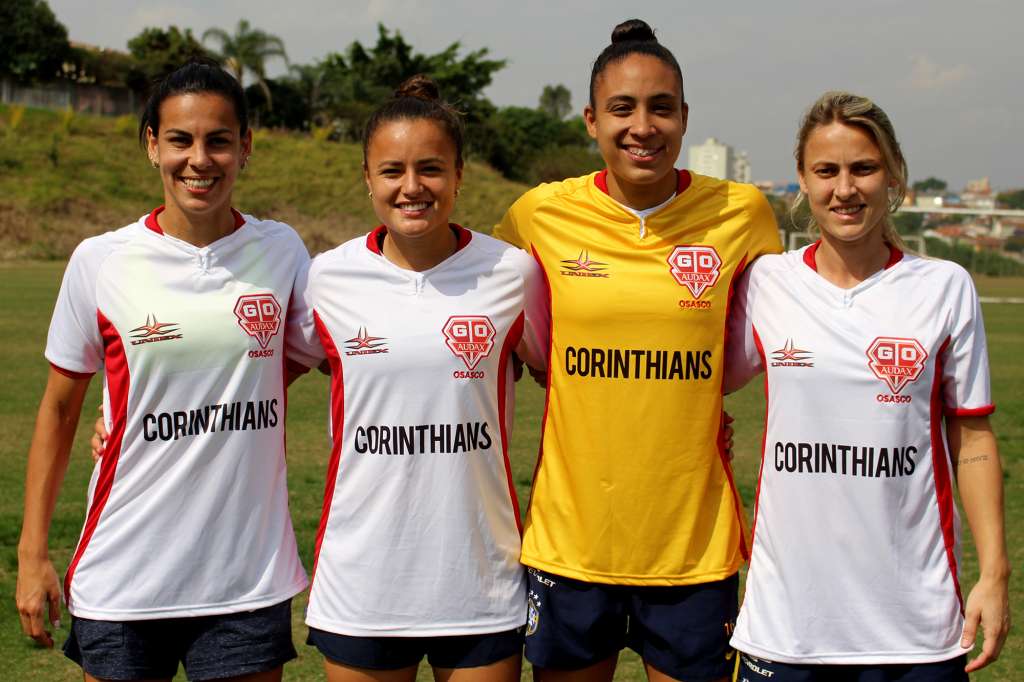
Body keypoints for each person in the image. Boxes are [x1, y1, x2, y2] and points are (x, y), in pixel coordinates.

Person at [493, 18, 781, 682]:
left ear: (685, 119)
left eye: (661, 108)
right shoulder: (538, 215)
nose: (642, 126)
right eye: (622, 108)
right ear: (591, 120)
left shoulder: (744, 213)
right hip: (571, 541)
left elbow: (757, 342)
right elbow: (506, 328)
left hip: (692, 548)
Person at [16, 60, 309, 682]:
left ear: (246, 147)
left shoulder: (282, 251)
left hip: (244, 582)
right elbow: (60, 409)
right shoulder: (101, 261)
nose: (199, 159)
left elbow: (323, 351)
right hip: (125, 576)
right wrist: (31, 553)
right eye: (180, 139)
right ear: (152, 145)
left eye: (219, 140)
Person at [725, 91, 1011, 682]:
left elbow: (974, 438)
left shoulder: (945, 286)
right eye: (826, 171)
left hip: (916, 631)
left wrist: (995, 574)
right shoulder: (765, 281)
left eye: (864, 168)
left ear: (894, 175)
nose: (845, 189)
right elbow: (693, 389)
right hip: (787, 629)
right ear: (801, 181)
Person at [284, 75, 549, 682]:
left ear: (459, 175)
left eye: (430, 169)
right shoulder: (327, 278)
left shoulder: (512, 274)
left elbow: (564, 378)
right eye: (392, 171)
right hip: (364, 580)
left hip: (481, 579)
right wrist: (113, 412)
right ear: (367, 178)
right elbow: (259, 378)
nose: (412, 188)